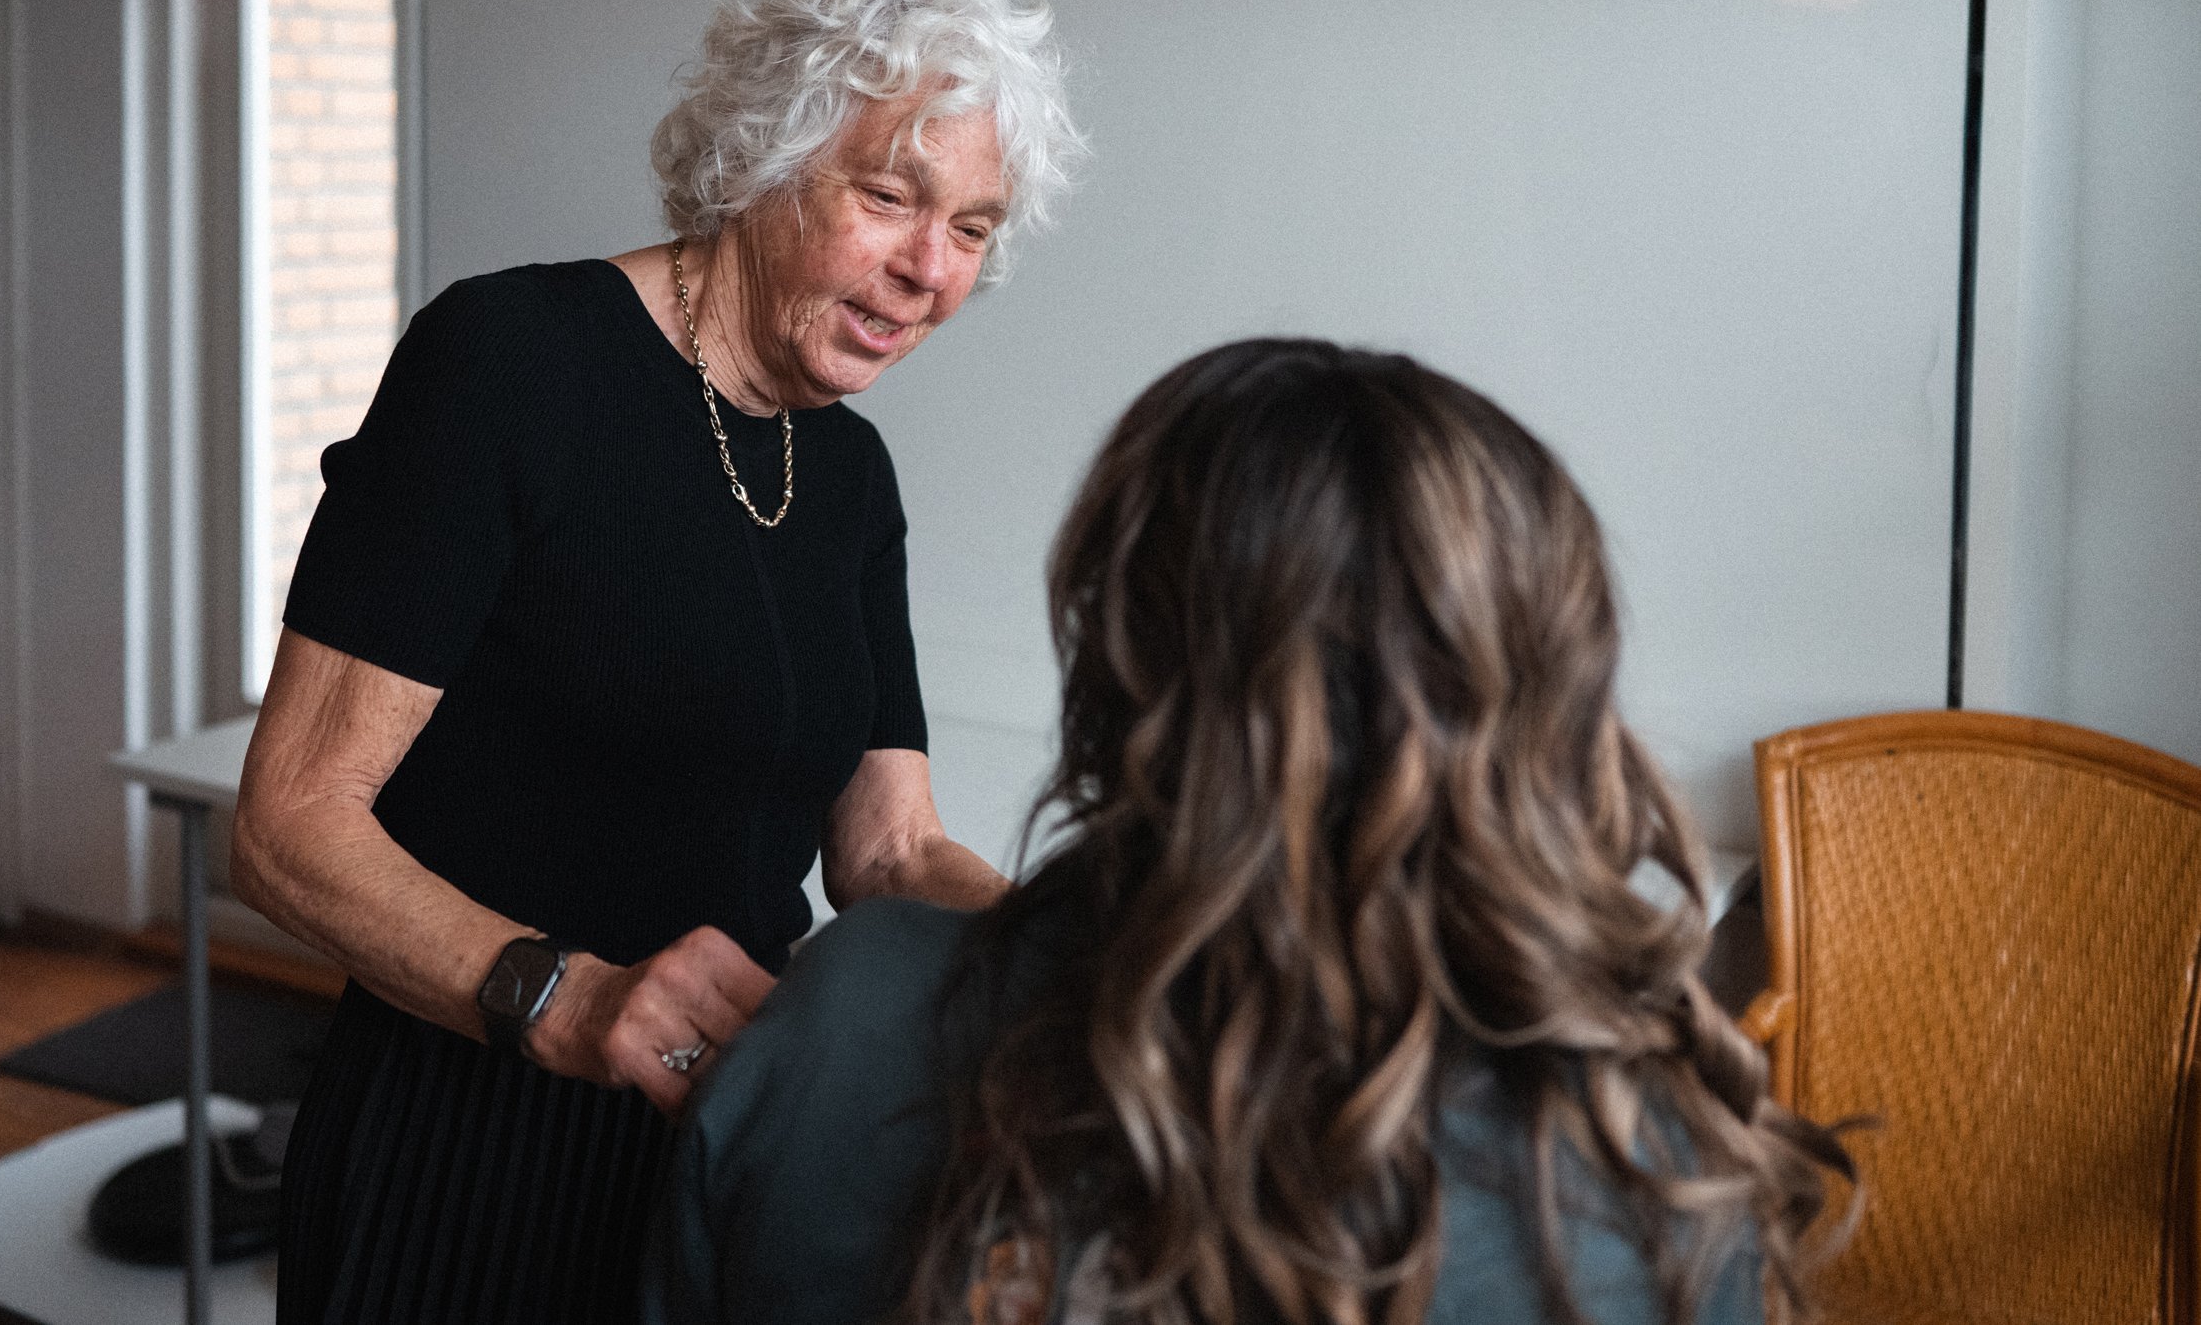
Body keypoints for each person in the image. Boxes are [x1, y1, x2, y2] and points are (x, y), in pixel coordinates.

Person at [231, 0, 1084, 1325]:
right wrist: (562, 998)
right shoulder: (510, 365)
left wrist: (1108, 946)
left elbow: (887, 847)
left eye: (972, 228)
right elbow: (286, 822)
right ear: (762, 153)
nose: (934, 271)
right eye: (889, 197)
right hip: (471, 1132)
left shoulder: (848, 464)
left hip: (723, 1134)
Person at [645, 339, 1855, 1325]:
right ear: (1545, 685)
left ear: (1106, 653)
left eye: (970, 225)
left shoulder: (841, 1014)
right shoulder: (1643, 1171)